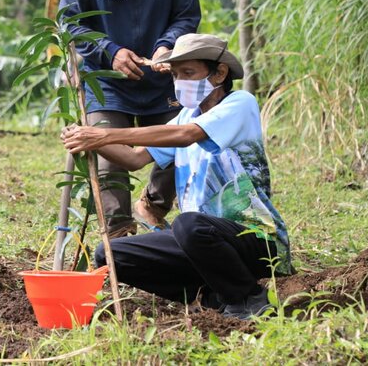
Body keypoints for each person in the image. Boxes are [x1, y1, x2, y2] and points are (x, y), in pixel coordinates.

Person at [61, 34, 291, 320]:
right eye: (176, 75)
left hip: (254, 239)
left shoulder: (240, 103)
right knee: (109, 254)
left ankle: (248, 297)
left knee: (189, 224)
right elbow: (134, 159)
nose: (180, 81)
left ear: (219, 73)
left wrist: (104, 133)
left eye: (189, 73)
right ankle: (211, 297)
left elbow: (188, 135)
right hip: (198, 242)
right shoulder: (186, 115)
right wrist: (88, 140)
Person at [59, 0, 202, 237]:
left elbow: (187, 16)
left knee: (177, 145)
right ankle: (119, 234)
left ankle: (153, 205)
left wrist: (167, 46)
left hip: (161, 79)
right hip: (106, 79)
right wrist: (111, 51)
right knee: (108, 154)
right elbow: (69, 24)